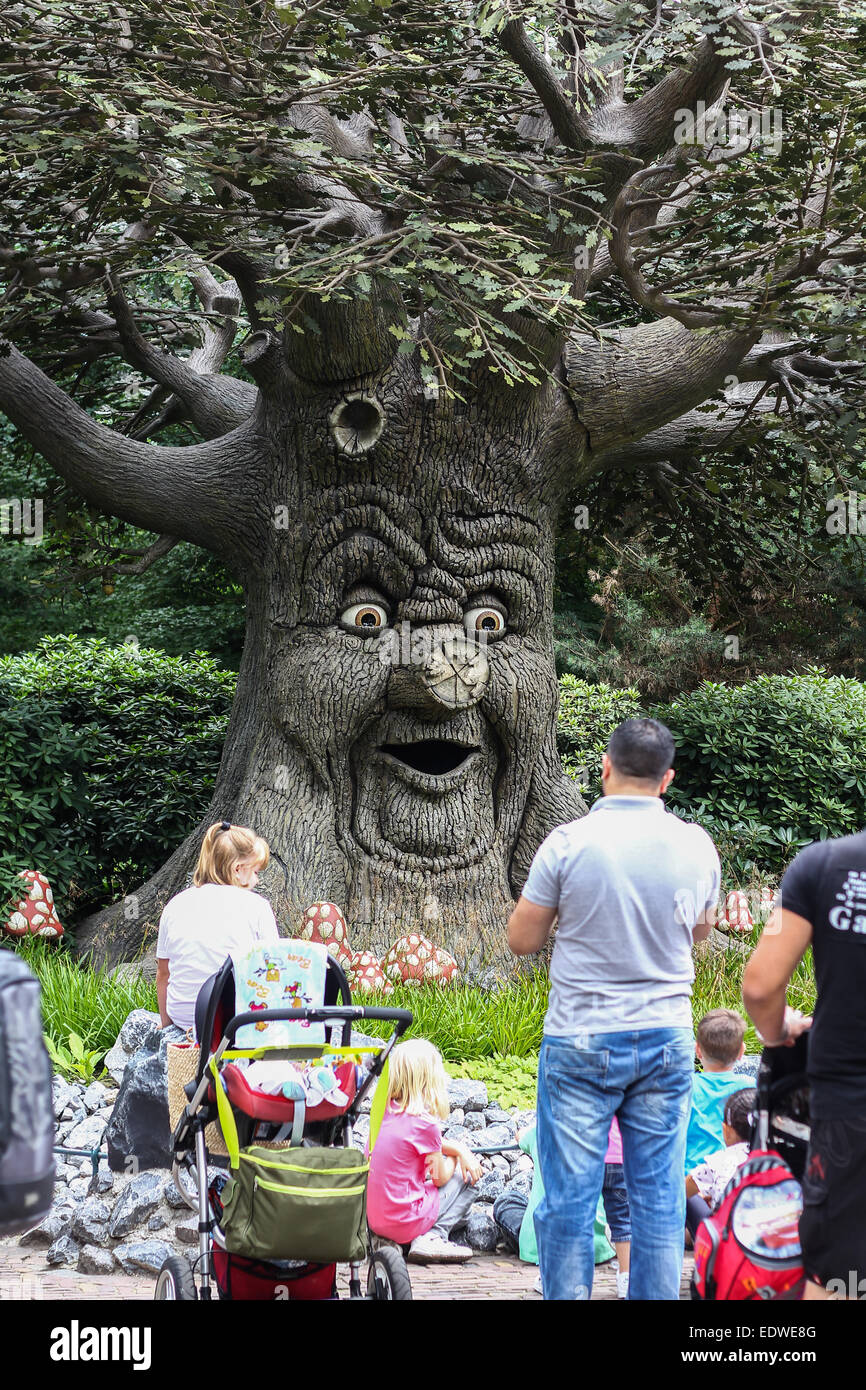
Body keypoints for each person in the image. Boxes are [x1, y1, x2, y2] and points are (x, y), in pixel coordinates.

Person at [508, 717, 721, 1300]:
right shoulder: (697, 844)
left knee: (568, 1200)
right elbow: (700, 934)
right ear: (667, 779)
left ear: (605, 768)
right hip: (667, 1034)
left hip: (581, 1035)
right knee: (656, 1201)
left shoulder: (568, 842)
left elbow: (522, 940)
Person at [741, 832, 866, 1302]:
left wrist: (777, 1034)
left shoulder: (826, 864)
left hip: (850, 1102)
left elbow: (759, 987)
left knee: (838, 1268)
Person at [366, 1039, 483, 1263]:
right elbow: (440, 1178)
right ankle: (431, 1237)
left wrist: (458, 1147)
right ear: (429, 1079)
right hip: (404, 1222)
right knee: (468, 1179)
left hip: (377, 1221)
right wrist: (457, 1159)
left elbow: (413, 1143)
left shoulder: (382, 1112)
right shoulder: (424, 1122)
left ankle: (389, 1240)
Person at [156, 820, 278, 1032]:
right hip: (233, 1021)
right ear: (238, 869)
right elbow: (273, 968)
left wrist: (166, 1025)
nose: (257, 881)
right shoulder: (257, 906)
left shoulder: (175, 904)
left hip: (184, 1017)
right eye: (256, 872)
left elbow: (163, 973)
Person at [491, 1123, 616, 1295]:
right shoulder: (598, 1133)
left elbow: (521, 1135)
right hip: (597, 1243)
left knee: (507, 1201)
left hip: (544, 1243)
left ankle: (549, 1271)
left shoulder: (542, 1130)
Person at [685, 1087, 755, 1238]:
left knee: (690, 1199)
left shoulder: (720, 1160)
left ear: (726, 1130)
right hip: (769, 1243)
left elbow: (681, 1191)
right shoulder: (778, 1158)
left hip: (725, 1244)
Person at [685, 1009, 748, 1173]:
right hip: (733, 1177)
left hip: (690, 1180)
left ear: (697, 1050)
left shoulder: (685, 1087)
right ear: (742, 1051)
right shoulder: (750, 1087)